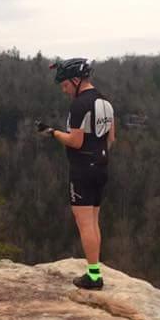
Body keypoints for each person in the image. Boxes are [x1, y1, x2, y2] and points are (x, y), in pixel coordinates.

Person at [36, 58, 115, 290]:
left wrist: (53, 132)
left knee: (84, 223)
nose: (64, 89)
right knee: (94, 221)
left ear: (76, 80)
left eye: (65, 84)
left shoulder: (79, 105)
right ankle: (95, 270)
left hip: (82, 169)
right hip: (101, 165)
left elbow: (75, 141)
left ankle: (93, 275)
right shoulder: (105, 102)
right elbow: (111, 139)